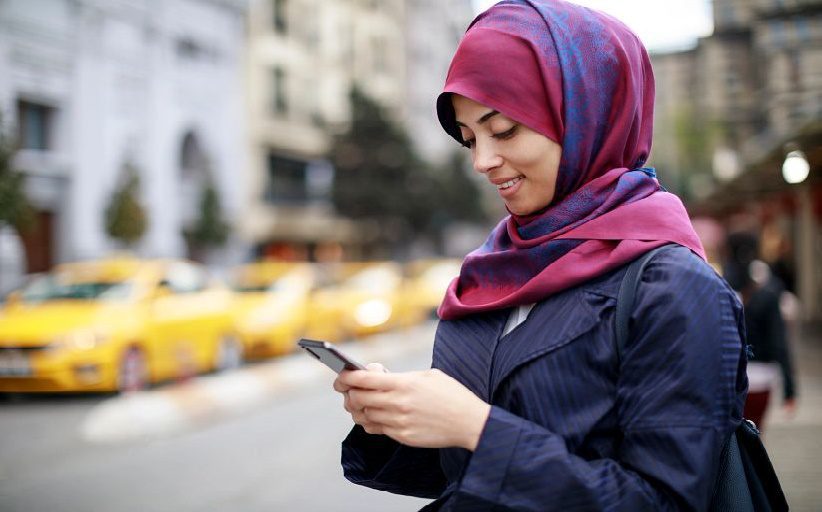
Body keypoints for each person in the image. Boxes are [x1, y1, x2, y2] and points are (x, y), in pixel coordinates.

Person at [333, 1, 748, 510]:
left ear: (585, 114)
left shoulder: (673, 287)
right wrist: (396, 419)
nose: (483, 161)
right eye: (469, 139)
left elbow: (667, 500)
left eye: (503, 130)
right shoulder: (492, 272)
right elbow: (463, 474)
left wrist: (479, 430)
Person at [724, 231, 796, 431]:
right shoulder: (769, 293)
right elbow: (779, 342)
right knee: (755, 436)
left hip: (727, 377)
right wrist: (789, 389)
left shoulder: (719, 289)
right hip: (762, 377)